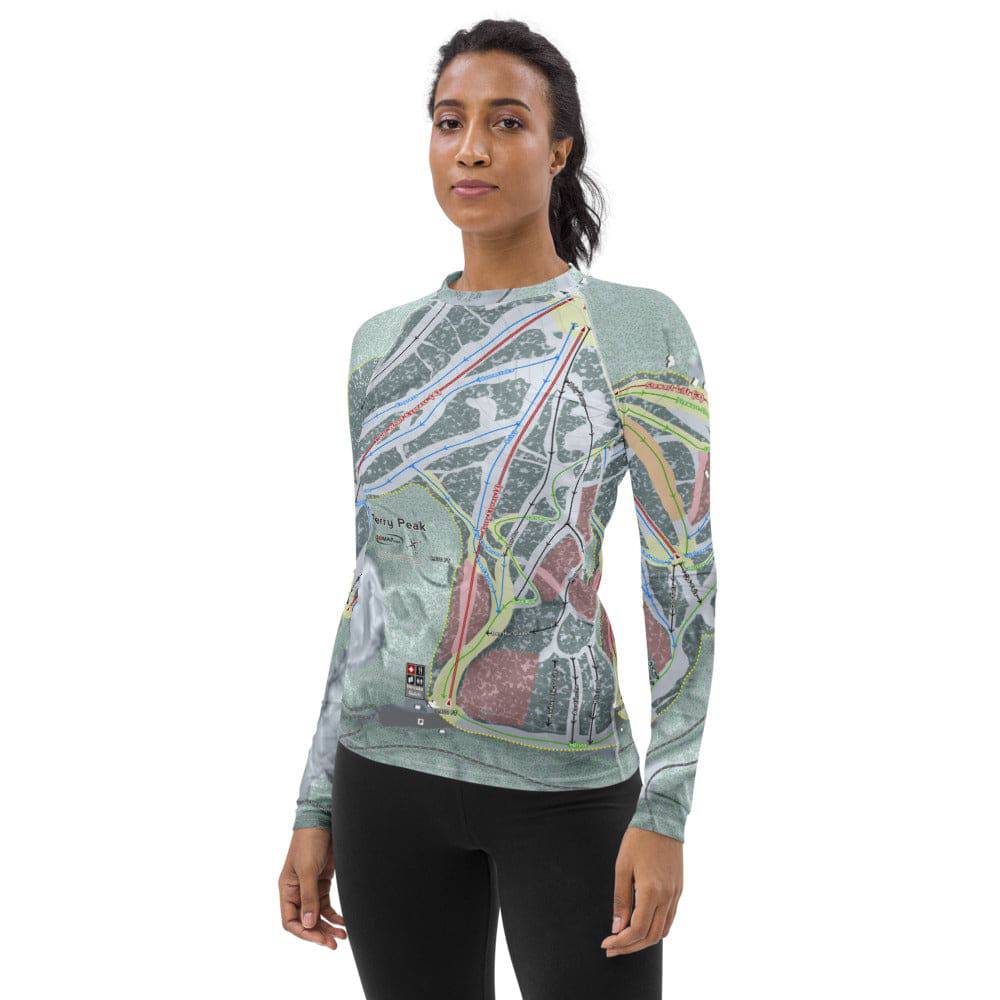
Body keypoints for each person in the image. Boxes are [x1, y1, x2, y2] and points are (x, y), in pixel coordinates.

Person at [278, 18, 717, 1000]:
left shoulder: (636, 328)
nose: (470, 147)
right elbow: (373, 586)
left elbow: (682, 578)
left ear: (560, 150)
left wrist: (666, 808)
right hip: (384, 785)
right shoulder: (380, 347)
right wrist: (315, 802)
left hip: (566, 793)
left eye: (506, 122)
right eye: (450, 121)